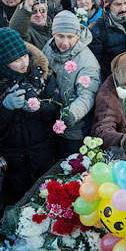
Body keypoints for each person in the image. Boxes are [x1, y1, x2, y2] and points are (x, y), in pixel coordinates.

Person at [0, 27, 58, 201]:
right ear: (4, 61)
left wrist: (39, 108)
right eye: (15, 60)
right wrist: (5, 108)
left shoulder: (42, 75)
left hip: (42, 151)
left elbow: (56, 108)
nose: (23, 63)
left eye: (24, 56)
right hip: (13, 158)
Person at [42, 11, 101, 156]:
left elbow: (87, 95)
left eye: (70, 37)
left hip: (74, 128)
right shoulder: (48, 48)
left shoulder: (87, 62)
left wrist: (71, 114)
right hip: (49, 121)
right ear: (53, 34)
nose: (64, 42)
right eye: (60, 36)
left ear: (77, 36)